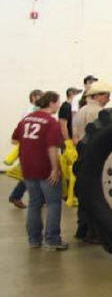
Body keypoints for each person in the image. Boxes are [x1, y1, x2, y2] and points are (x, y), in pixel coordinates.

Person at [11, 91, 67, 250]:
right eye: (57, 102)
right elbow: (52, 147)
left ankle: (34, 240)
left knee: (34, 203)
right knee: (53, 203)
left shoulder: (26, 119)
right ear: (51, 103)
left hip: (27, 167)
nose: (59, 105)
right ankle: (52, 239)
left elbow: (14, 139)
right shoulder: (51, 122)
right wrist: (55, 169)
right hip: (45, 168)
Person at [72, 80, 112, 242]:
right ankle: (93, 233)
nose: (108, 99)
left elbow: (75, 136)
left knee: (84, 192)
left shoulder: (81, 111)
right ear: (97, 96)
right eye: (106, 96)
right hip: (95, 155)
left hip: (82, 154)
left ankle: (82, 229)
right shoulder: (98, 112)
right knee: (96, 194)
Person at [8, 89, 44, 209]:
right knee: (31, 174)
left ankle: (38, 197)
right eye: (38, 96)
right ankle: (16, 196)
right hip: (31, 146)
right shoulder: (31, 111)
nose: (41, 98)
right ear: (33, 97)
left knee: (34, 173)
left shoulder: (34, 110)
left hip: (31, 146)